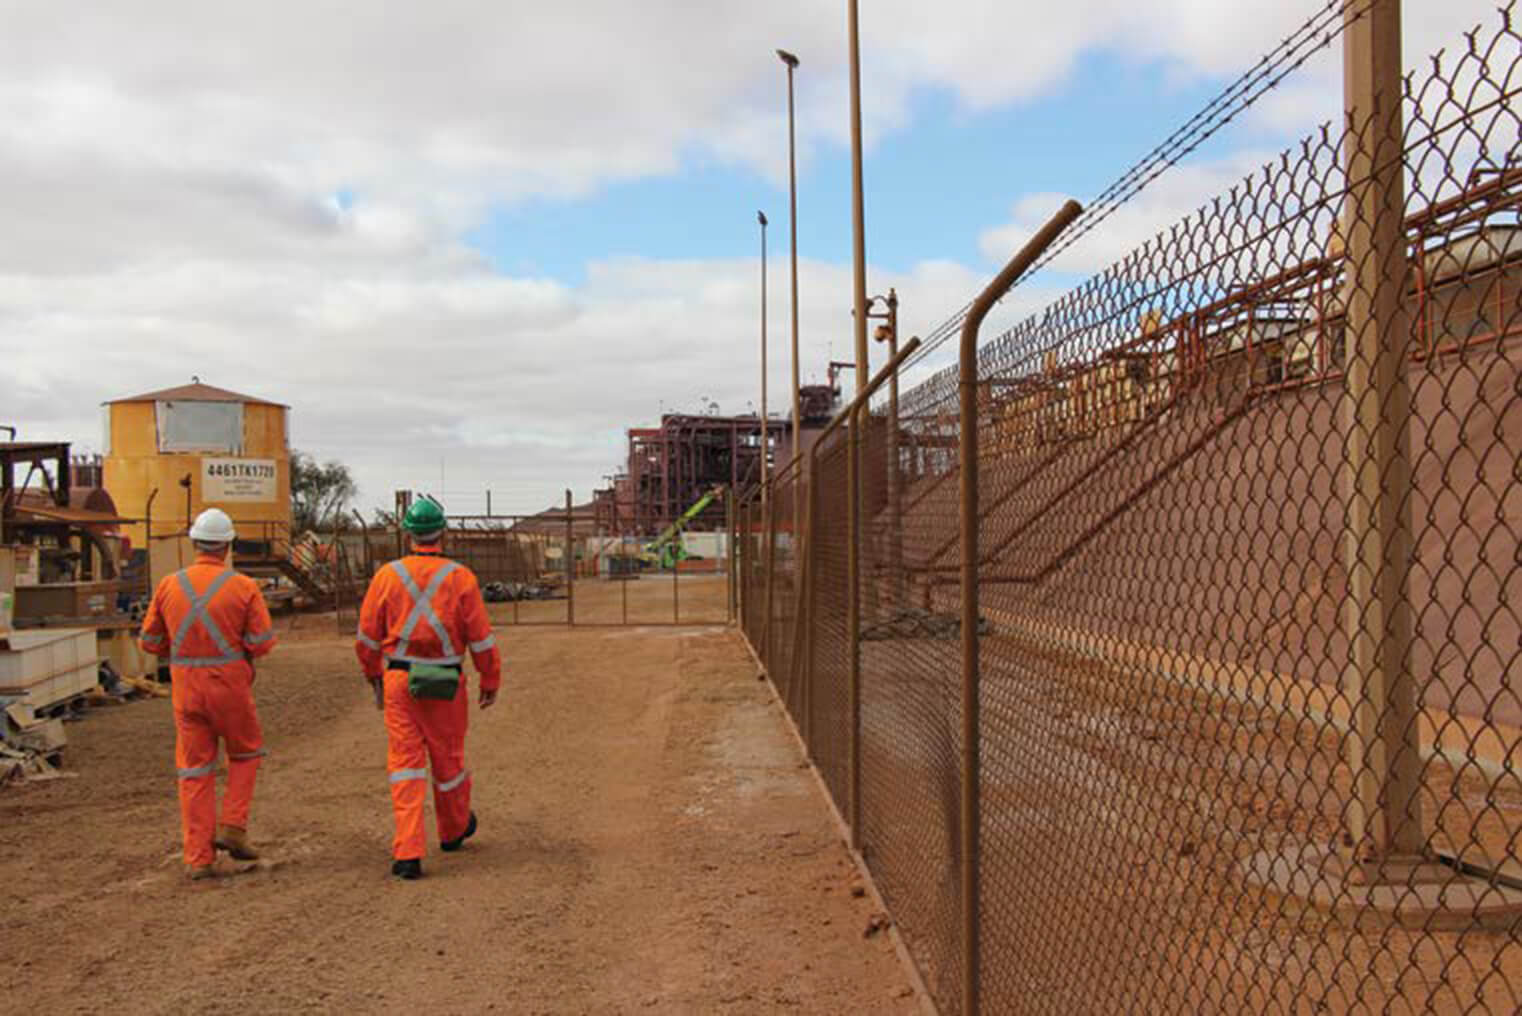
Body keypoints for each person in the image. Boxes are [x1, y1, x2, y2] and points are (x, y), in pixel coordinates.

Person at [355, 497, 501, 880]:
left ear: (408, 535)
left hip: (400, 681)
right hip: (445, 681)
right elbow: (481, 638)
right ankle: (452, 831)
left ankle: (407, 852)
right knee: (448, 759)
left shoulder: (386, 576)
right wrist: (490, 678)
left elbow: (368, 636)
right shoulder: (461, 578)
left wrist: (372, 672)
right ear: (444, 533)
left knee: (405, 764)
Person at [138, 507, 276, 880]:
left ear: (194, 543)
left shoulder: (169, 585)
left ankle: (198, 858)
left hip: (185, 686)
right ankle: (233, 825)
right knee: (245, 754)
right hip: (230, 683)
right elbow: (262, 643)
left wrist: (182, 647)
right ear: (227, 545)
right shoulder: (244, 587)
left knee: (194, 770)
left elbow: (149, 641)